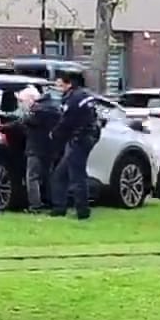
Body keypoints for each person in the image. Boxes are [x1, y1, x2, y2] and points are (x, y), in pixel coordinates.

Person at [47, 70, 100, 220]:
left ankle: (82, 211)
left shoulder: (72, 99)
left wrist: (54, 133)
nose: (58, 87)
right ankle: (59, 208)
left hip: (79, 139)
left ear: (69, 84)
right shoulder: (86, 95)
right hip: (88, 136)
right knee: (60, 174)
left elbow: (66, 121)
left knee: (77, 176)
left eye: (60, 84)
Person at [19, 85, 61, 213]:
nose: (21, 104)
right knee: (48, 176)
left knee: (32, 177)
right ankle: (50, 201)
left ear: (31, 99)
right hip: (51, 148)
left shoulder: (37, 111)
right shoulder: (53, 107)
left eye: (22, 101)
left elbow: (25, 122)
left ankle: (35, 205)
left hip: (36, 148)